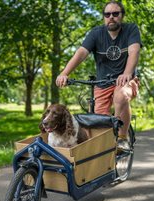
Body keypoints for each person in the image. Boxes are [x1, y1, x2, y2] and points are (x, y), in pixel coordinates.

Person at [56, 0, 141, 150]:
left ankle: (122, 137)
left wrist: (127, 73)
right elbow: (81, 53)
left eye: (115, 13)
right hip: (102, 83)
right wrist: (64, 73)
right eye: (107, 14)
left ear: (122, 15)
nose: (111, 17)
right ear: (103, 17)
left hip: (126, 80)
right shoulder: (96, 33)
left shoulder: (131, 29)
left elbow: (134, 52)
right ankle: (104, 154)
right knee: (98, 123)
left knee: (120, 97)